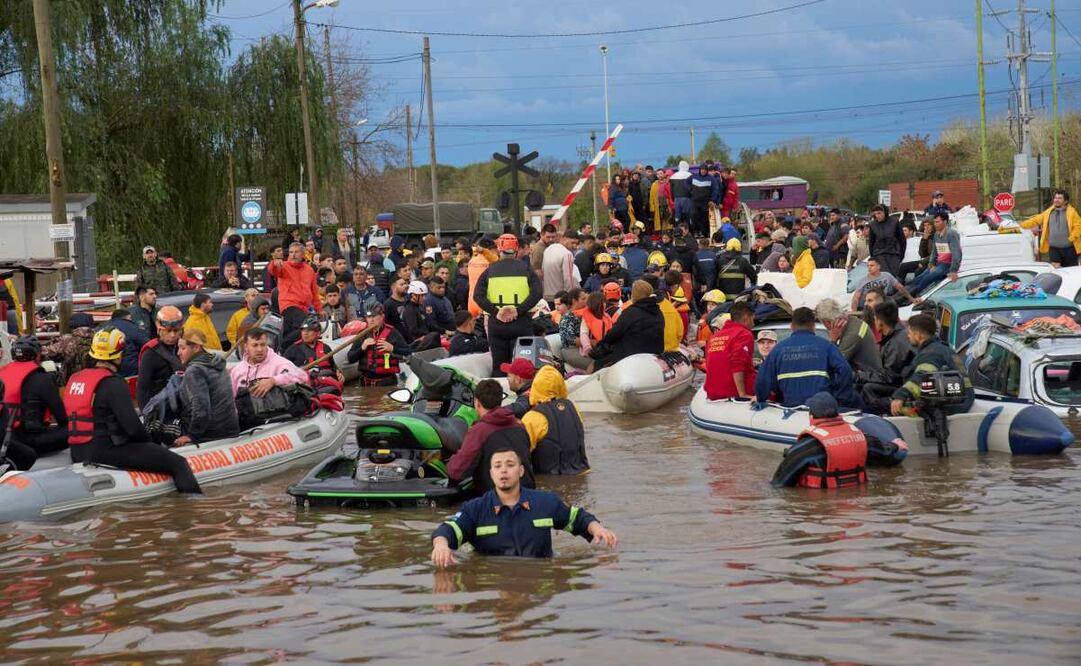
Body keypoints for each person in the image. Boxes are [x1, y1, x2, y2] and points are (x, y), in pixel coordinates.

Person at [64, 329, 201, 493]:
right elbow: (133, 428)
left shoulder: (75, 378)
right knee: (178, 463)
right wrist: (152, 444)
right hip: (104, 452)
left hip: (77, 452)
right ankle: (195, 508)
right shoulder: (113, 382)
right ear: (117, 355)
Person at [430, 447, 616, 565]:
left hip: (540, 571)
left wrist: (598, 528)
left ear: (520, 471)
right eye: (498, 466)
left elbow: (577, 518)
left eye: (510, 465)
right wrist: (441, 546)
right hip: (494, 577)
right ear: (491, 473)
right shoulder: (475, 509)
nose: (503, 470)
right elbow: (448, 530)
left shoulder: (545, 502)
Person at [754, 307, 861, 409]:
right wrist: (840, 398)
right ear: (813, 326)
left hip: (791, 412)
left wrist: (761, 399)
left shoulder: (777, 350)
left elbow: (762, 380)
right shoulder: (826, 346)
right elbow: (845, 370)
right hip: (821, 411)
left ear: (792, 326)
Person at [447, 379, 535, 495]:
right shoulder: (520, 425)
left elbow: (457, 471)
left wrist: (450, 462)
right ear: (500, 401)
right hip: (529, 496)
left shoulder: (479, 431)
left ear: (477, 403)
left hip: (498, 500)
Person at [474, 234, 543, 377]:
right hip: (521, 323)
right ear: (516, 249)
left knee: (499, 367)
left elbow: (477, 296)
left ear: (499, 250)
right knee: (521, 369)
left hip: (497, 324)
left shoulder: (490, 270)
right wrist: (518, 310)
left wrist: (496, 312)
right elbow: (537, 293)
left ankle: (500, 397)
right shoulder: (526, 269)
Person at [0, 336, 69, 470]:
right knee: (74, 429)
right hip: (28, 439)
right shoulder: (43, 379)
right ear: (37, 355)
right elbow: (62, 417)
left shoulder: (2, 372)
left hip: (5, 437)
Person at [890, 314, 974, 416]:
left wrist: (901, 395)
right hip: (961, 402)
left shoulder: (931, 353)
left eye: (909, 333)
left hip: (950, 408)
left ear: (918, 335)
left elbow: (923, 376)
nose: (908, 336)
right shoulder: (943, 348)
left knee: (894, 408)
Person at [173, 328, 239, 446]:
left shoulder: (194, 371)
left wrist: (192, 435)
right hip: (231, 429)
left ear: (196, 348)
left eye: (183, 348)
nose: (178, 353)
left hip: (211, 435)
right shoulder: (217, 363)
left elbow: (201, 407)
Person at [519, 365, 588, 475]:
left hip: (549, 478)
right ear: (561, 385)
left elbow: (519, 452)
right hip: (581, 473)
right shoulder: (573, 408)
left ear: (536, 386)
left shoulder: (533, 417)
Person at [591, 280, 664, 370]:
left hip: (631, 357)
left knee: (597, 363)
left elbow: (613, 334)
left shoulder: (630, 313)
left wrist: (601, 344)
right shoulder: (658, 311)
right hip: (654, 354)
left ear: (634, 295)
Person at [859, 300, 915, 414]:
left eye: (875, 319)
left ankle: (878, 417)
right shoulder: (898, 335)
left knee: (868, 388)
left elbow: (890, 377)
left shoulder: (895, 342)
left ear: (880, 322)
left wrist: (861, 376)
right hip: (905, 383)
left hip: (906, 387)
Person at [268, 241, 322, 348]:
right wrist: (274, 263)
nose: (293, 255)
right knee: (307, 327)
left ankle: (284, 351)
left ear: (303, 254)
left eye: (296, 252)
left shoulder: (309, 270)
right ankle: (282, 345)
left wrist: (319, 309)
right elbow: (273, 270)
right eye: (291, 252)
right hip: (289, 305)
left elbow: (314, 292)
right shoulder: (284, 266)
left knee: (293, 334)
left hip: (304, 308)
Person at [229, 327, 310, 397]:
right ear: (246, 347)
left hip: (276, 413)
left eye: (263, 344)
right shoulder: (236, 371)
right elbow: (230, 400)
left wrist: (273, 381)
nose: (260, 349)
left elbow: (303, 377)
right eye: (255, 345)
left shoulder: (280, 363)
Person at [346, 304, 410, 386]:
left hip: (387, 382)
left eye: (374, 316)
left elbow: (408, 351)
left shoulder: (392, 332)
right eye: (369, 317)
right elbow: (350, 358)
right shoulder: (362, 334)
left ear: (382, 316)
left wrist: (392, 348)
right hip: (366, 382)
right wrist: (362, 347)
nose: (371, 320)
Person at [816, 298, 882, 377]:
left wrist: (833, 340)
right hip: (868, 378)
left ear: (828, 323)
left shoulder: (852, 335)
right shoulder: (854, 323)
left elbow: (833, 364)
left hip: (867, 382)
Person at [703, 302, 756, 400]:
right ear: (746, 317)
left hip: (713, 395)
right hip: (734, 393)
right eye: (753, 319)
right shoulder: (744, 334)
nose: (753, 323)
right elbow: (737, 363)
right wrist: (743, 394)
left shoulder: (714, 337)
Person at [1019, 188, 1081, 268]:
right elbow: (1036, 220)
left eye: (1059, 198)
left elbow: (1078, 226)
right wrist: (1021, 225)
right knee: (1056, 269)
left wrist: (1072, 238)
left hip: (1069, 249)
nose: (1056, 200)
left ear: (1065, 201)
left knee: (1071, 270)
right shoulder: (1049, 212)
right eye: (1055, 198)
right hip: (1054, 249)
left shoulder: (1072, 212)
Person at [136, 306, 184, 408]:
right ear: (159, 330)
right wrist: (146, 413)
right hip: (160, 408)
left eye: (176, 331)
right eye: (168, 331)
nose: (172, 335)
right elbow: (142, 389)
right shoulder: (150, 353)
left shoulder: (184, 348)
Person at [850, 257, 920, 310]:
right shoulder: (863, 280)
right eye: (868, 266)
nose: (869, 268)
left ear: (878, 266)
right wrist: (854, 312)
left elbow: (900, 287)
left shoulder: (886, 276)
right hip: (865, 308)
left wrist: (912, 299)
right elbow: (856, 298)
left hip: (880, 307)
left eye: (872, 265)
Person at [108, 308, 150, 378]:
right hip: (130, 371)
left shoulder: (102, 327)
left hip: (109, 370)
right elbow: (147, 344)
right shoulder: (131, 327)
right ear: (126, 317)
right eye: (130, 318)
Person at [576, 291, 613, 371]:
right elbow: (584, 334)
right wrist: (587, 347)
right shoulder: (587, 318)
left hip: (604, 348)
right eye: (602, 302)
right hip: (591, 351)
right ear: (596, 304)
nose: (605, 304)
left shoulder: (607, 317)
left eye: (604, 302)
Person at [868, 204, 906, 279]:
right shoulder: (873, 224)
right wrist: (873, 257)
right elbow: (871, 243)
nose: (877, 216)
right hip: (879, 255)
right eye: (875, 214)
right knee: (883, 278)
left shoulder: (894, 222)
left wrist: (900, 255)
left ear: (885, 212)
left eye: (879, 213)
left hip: (893, 254)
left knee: (892, 278)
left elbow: (902, 240)